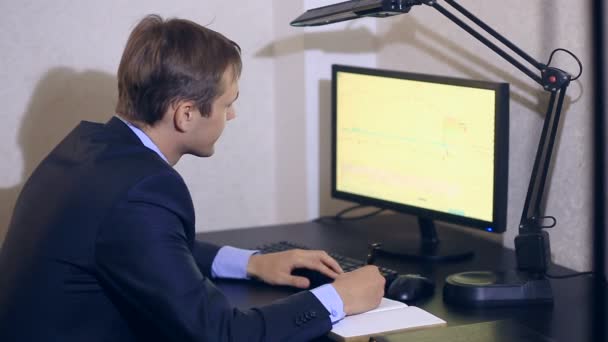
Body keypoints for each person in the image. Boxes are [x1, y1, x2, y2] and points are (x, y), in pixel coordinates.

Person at [0, 14, 385, 341]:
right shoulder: (144, 191)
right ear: (186, 114)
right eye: (227, 103)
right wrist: (338, 298)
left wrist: (252, 263)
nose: (231, 115)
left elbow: (144, 246)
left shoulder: (84, 147)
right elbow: (221, 334)